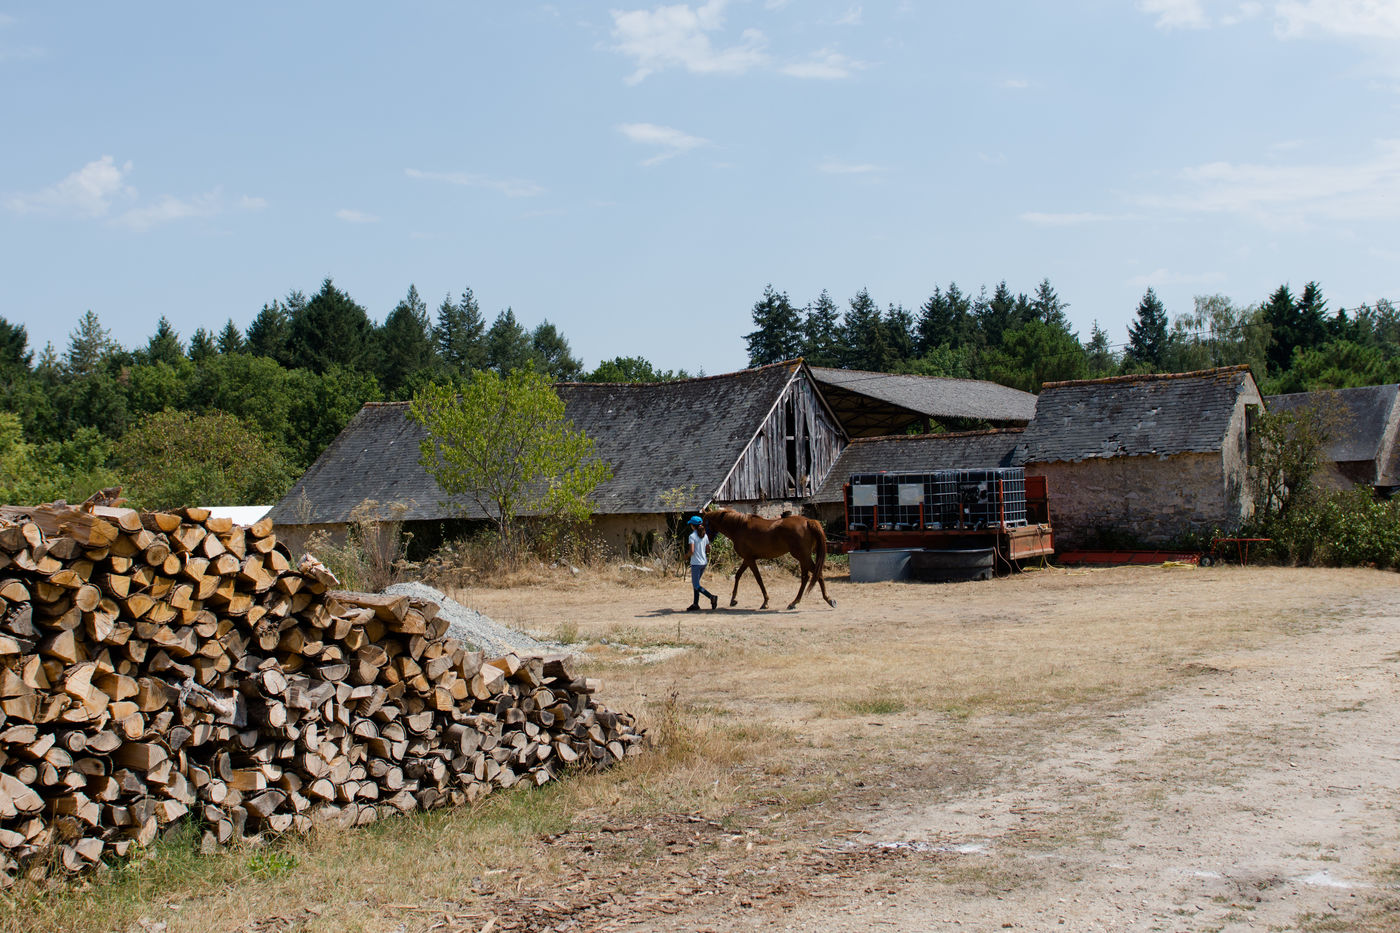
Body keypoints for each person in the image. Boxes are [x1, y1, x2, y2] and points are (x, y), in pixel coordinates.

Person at [686, 515, 718, 611]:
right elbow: (708, 550)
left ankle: (711, 597)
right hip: (703, 562)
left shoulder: (692, 536)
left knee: (696, 585)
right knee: (696, 584)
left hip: (696, 563)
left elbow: (691, 551)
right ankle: (695, 604)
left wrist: (686, 556)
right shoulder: (705, 535)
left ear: (693, 526)